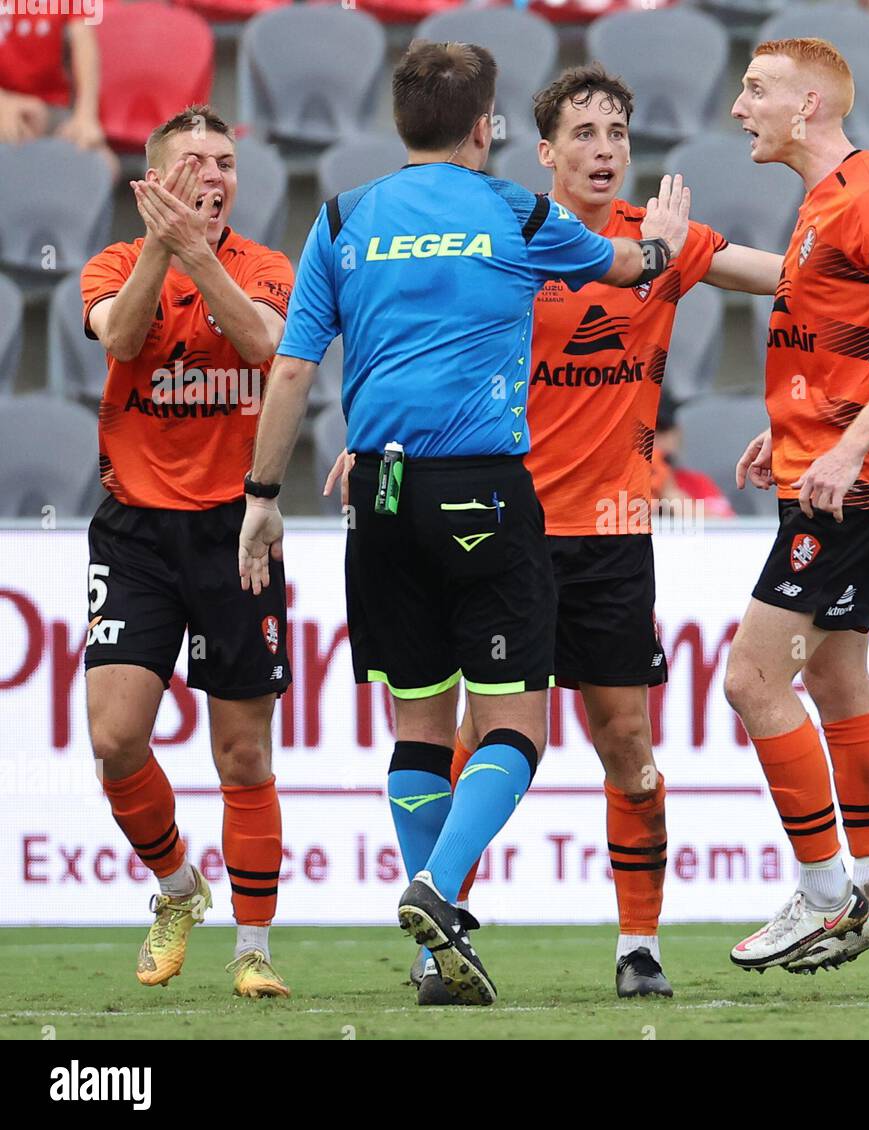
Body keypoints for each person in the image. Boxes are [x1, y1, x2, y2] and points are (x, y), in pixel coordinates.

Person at [239, 41, 690, 1007]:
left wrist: (263, 497)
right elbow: (621, 263)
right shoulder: (514, 212)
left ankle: (434, 955)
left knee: (418, 725)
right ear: (486, 127)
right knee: (514, 726)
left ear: (400, 122)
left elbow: (292, 368)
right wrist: (664, 243)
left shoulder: (341, 217)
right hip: (481, 489)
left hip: (377, 496)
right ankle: (439, 888)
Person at [417, 63, 778, 1001]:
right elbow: (434, 353)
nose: (605, 149)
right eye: (584, 133)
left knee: (629, 747)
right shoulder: (507, 238)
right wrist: (382, 438)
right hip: (509, 528)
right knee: (486, 738)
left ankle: (639, 946)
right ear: (545, 153)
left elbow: (787, 280)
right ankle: (438, 931)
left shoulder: (662, 239)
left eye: (617, 132)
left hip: (615, 537)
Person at [722, 36, 869, 975]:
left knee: (752, 679)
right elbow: (854, 338)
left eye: (756, 90)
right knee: (835, 676)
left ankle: (824, 896)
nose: (739, 107)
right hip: (839, 475)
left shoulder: (866, 192)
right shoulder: (825, 202)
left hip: (855, 487)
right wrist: (787, 427)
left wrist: (848, 446)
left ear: (808, 105)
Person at [82, 104, 293, 998]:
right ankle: (176, 887)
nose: (213, 176)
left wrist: (198, 256)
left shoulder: (267, 267)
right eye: (193, 164)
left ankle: (253, 947)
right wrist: (163, 251)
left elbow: (267, 345)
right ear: (153, 183)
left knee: (242, 755)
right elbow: (123, 338)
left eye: (225, 164)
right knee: (115, 738)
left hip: (236, 529)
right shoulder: (112, 265)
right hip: (135, 529)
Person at [0, 10, 118, 176]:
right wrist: (3, 103)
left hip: (52, 109)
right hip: (5, 105)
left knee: (103, 166)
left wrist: (85, 116)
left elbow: (83, 38)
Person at [652, 393, 736, 520]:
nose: (653, 440)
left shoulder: (697, 483)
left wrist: (670, 493)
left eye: (661, 430)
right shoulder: (622, 485)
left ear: (677, 434)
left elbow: (728, 525)